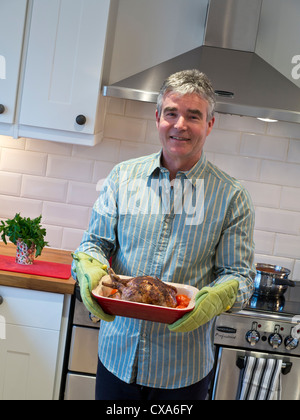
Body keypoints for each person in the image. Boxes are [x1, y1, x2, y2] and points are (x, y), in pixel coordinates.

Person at [72, 69, 256, 400]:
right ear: (157, 118)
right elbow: (94, 244)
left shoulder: (231, 196)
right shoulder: (123, 177)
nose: (180, 124)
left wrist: (219, 296)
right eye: (171, 113)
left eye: (193, 116)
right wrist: (88, 268)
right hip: (116, 359)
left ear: (210, 125)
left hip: (182, 372)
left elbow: (240, 278)